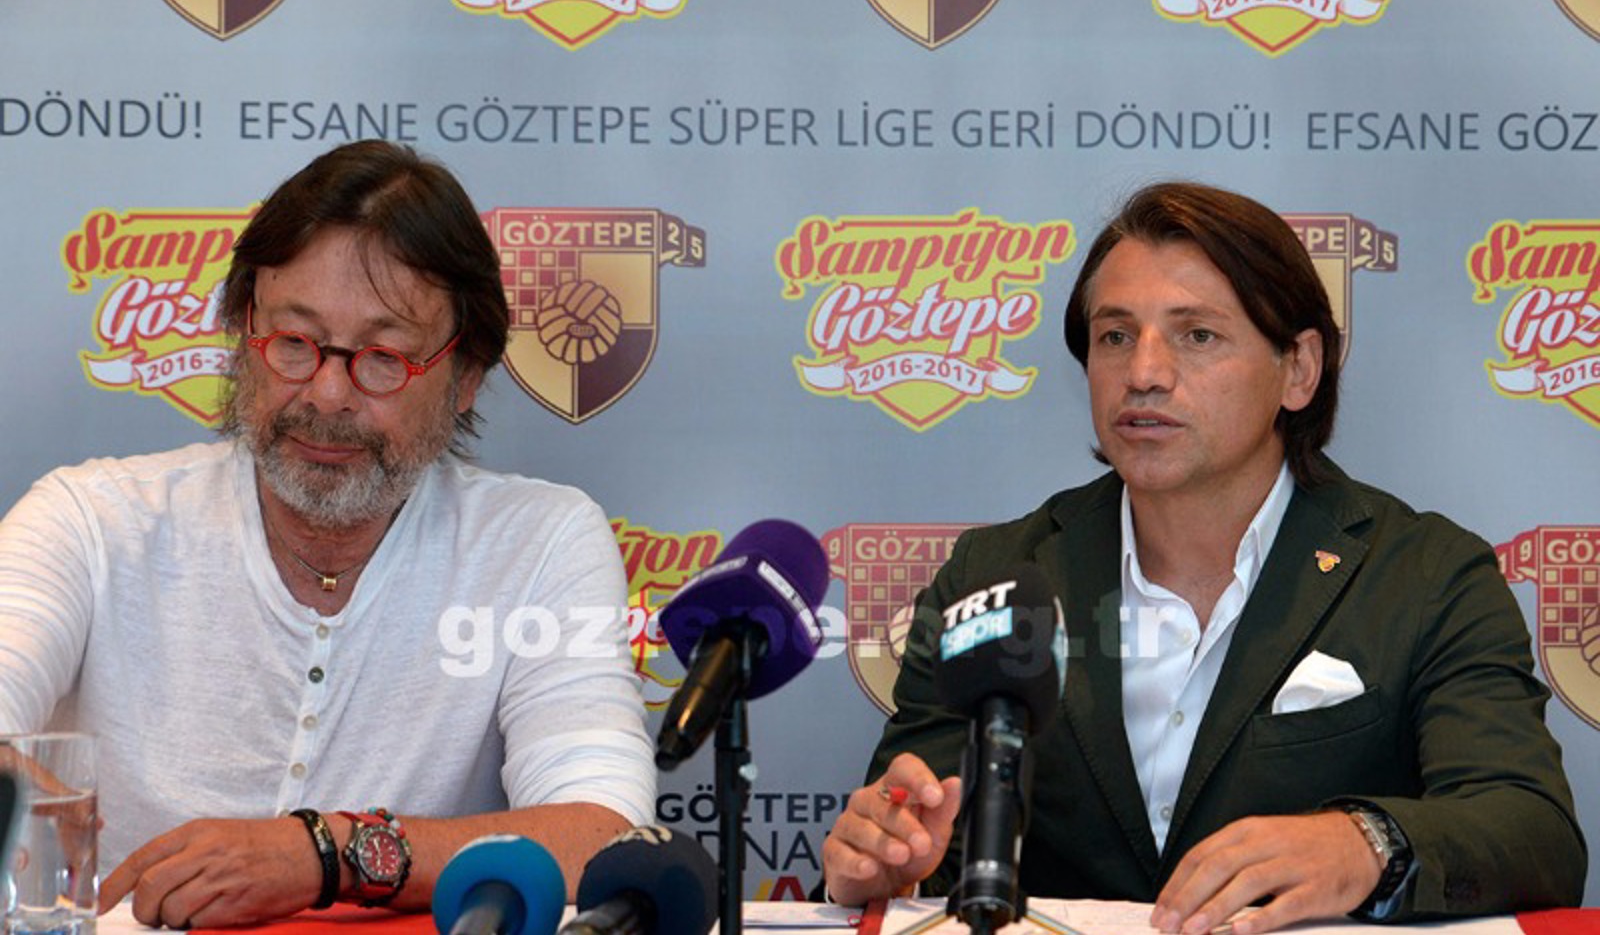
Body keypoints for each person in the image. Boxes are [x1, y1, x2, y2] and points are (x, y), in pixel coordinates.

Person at [820, 182, 1587, 932]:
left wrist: (1365, 843)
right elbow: (922, 835)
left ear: (1299, 368)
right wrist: (888, 859)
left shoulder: (1426, 575)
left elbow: (1532, 830)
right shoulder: (994, 575)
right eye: (1116, 336)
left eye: (1197, 335)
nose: (1144, 373)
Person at [0, 141, 655, 927]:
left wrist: (328, 853)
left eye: (383, 357)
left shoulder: (538, 543)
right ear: (242, 336)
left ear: (466, 377)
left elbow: (605, 835)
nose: (327, 393)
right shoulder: (90, 521)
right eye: (294, 343)